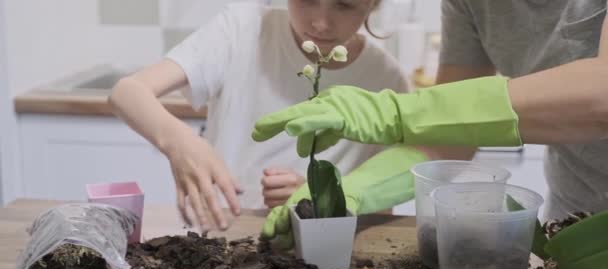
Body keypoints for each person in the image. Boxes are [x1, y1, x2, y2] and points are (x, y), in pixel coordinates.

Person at [253, 0, 608, 238]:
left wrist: (396, 112)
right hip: (575, 224)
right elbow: (448, 137)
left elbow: (600, 96)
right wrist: (354, 190)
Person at [109, 0, 461, 233]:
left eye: (345, 4)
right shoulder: (244, 29)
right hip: (218, 238)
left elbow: (379, 212)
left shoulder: (388, 82)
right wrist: (180, 142)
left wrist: (318, 200)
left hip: (306, 260)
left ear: (373, 4)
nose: (321, 22)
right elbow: (127, 92)